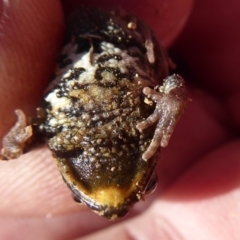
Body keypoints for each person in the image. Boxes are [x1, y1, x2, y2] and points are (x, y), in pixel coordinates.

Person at [0, 0, 240, 239]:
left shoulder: (60, 137)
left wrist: (13, 145)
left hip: (61, 40)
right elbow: (173, 83)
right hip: (114, 35)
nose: (113, 212)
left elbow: (22, 137)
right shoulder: (145, 126)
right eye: (149, 184)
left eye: (77, 196)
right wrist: (171, 104)